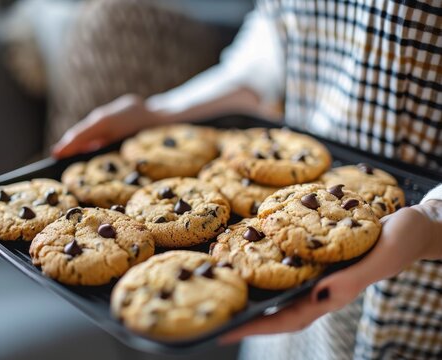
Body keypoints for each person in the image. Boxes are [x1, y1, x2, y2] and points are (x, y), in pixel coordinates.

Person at [52, 1, 442, 359]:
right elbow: (275, 38)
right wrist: (163, 110)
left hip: (420, 273)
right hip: (286, 256)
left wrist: (429, 225)